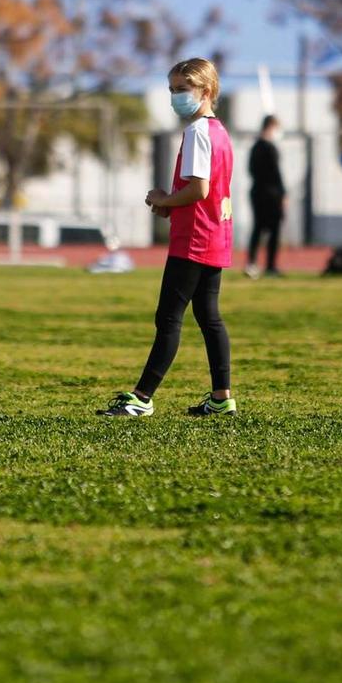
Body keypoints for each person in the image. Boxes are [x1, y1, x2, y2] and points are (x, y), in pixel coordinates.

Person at [100, 57, 237, 418]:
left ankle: (141, 398)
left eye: (182, 90)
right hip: (215, 234)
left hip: (193, 239)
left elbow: (199, 189)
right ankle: (222, 398)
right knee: (209, 317)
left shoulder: (197, 133)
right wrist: (171, 206)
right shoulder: (220, 131)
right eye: (172, 90)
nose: (175, 97)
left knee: (169, 318)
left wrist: (164, 199)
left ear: (205, 91)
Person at [244, 114, 285, 278]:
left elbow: (251, 170)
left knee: (258, 228)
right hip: (271, 194)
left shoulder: (255, 147)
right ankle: (270, 265)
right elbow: (276, 173)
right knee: (273, 230)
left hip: (257, 192)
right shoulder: (269, 148)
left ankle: (252, 263)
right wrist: (282, 193)